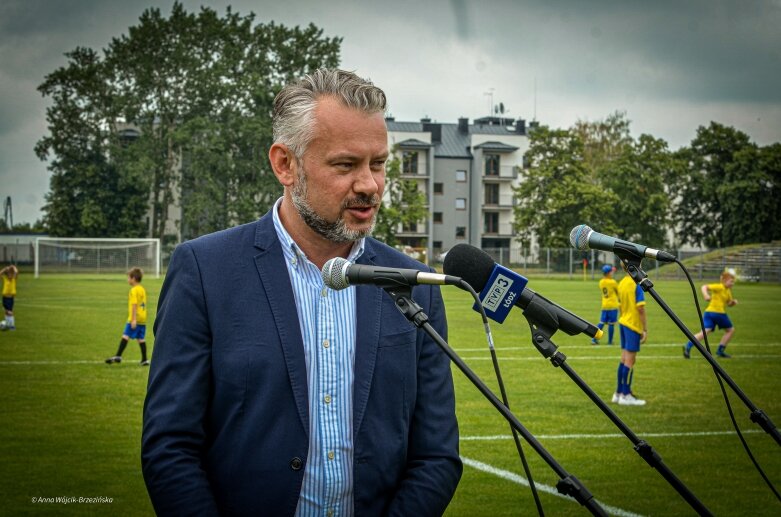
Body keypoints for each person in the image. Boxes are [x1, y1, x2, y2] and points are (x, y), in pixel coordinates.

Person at [141, 69, 462, 516]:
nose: (369, 184)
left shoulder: (414, 285)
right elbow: (170, 447)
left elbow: (436, 455)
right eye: (346, 165)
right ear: (285, 165)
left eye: (379, 163)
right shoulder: (205, 271)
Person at [683, 268, 738, 359]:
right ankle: (720, 350)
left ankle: (688, 346)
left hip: (708, 312)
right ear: (724, 280)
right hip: (718, 313)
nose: (732, 283)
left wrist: (733, 303)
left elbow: (728, 303)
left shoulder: (728, 291)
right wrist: (706, 295)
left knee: (704, 332)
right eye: (731, 281)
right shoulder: (720, 286)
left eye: (733, 282)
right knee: (730, 330)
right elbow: (704, 287)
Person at [612, 268, 648, 406]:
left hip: (623, 322)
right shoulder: (636, 284)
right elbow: (640, 308)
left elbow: (620, 305)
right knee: (630, 361)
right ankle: (626, 395)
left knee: (624, 359)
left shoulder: (621, 282)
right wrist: (644, 329)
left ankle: (618, 393)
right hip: (632, 325)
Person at [105, 267, 149, 366]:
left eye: (128, 278)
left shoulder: (133, 290)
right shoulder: (142, 289)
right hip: (142, 319)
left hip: (134, 319)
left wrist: (133, 319)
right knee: (141, 338)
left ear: (133, 278)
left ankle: (118, 356)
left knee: (125, 335)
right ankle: (145, 360)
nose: (127, 280)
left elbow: (134, 305)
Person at [592, 264, 618, 345]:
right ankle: (610, 342)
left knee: (601, 323)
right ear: (608, 273)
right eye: (611, 271)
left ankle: (594, 339)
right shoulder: (613, 282)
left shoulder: (601, 282)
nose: (612, 273)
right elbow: (618, 292)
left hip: (604, 305)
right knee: (611, 324)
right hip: (612, 305)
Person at [1, 264, 18, 330]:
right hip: (5, 298)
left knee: (9, 312)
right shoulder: (5, 279)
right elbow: (0, 273)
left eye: (12, 274)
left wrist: (13, 267)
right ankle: (10, 325)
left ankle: (10, 325)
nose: (11, 275)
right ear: (7, 275)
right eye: (9, 274)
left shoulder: (14, 279)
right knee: (8, 312)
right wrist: (5, 269)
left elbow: (16, 272)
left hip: (10, 298)